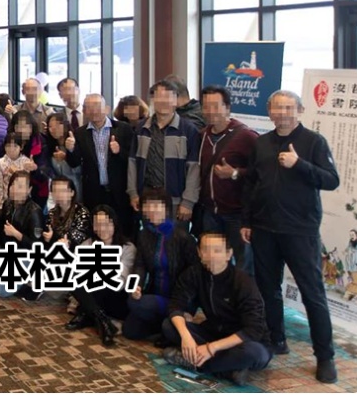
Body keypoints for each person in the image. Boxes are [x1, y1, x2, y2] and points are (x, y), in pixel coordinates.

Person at [240, 90, 340, 383]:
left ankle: (325, 356)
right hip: (264, 229)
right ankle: (276, 339)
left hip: (300, 231)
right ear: (269, 111)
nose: (281, 113)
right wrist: (247, 221)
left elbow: (331, 180)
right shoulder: (261, 143)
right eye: (276, 108)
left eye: (288, 107)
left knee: (313, 294)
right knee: (268, 289)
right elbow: (251, 184)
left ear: (300, 110)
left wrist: (299, 164)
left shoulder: (313, 141)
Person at [160, 233, 271, 386]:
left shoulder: (243, 282)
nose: (211, 255)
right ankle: (229, 370)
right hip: (213, 333)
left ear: (228, 254)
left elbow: (253, 330)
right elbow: (176, 304)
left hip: (242, 341)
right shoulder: (194, 273)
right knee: (169, 325)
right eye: (206, 249)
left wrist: (211, 348)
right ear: (199, 253)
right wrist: (186, 337)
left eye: (217, 250)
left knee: (255, 353)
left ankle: (193, 362)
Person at [197, 85, 258, 274]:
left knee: (243, 264)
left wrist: (235, 173)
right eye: (206, 106)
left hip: (237, 214)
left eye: (216, 106)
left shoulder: (246, 136)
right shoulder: (202, 135)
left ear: (227, 107)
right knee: (212, 262)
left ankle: (243, 293)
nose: (210, 111)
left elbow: (261, 173)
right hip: (210, 212)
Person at [124, 189, 198, 343]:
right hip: (155, 293)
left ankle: (174, 319)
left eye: (157, 206)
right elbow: (140, 265)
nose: (152, 210)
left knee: (137, 305)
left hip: (178, 298)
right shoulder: (144, 234)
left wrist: (186, 305)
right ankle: (165, 326)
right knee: (130, 330)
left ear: (167, 209)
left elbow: (194, 273)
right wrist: (136, 286)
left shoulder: (183, 237)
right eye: (148, 206)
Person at [128, 80, 201, 231]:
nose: (163, 102)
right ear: (152, 100)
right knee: (150, 238)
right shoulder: (142, 128)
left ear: (176, 100)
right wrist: (133, 193)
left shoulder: (188, 130)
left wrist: (188, 202)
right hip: (147, 199)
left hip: (176, 201)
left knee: (176, 241)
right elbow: (133, 163)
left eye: (168, 97)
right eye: (159, 97)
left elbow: (194, 169)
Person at [65, 94, 137, 236]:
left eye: (97, 106)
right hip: (94, 191)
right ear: (84, 111)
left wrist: (119, 151)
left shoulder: (124, 129)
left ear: (107, 109)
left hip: (119, 190)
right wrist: (71, 150)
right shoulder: (80, 133)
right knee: (97, 230)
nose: (94, 111)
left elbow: (133, 159)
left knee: (123, 229)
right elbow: (74, 163)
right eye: (89, 107)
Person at [66, 205, 135, 347]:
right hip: (94, 294)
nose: (102, 228)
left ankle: (87, 314)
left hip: (115, 297)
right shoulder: (88, 244)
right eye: (97, 224)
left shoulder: (128, 248)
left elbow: (120, 281)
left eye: (106, 223)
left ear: (114, 223)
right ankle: (103, 321)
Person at [12, 110, 54, 211]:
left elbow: (47, 173)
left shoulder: (41, 143)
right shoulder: (10, 141)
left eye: (25, 126)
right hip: (16, 190)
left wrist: (35, 169)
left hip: (38, 191)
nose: (21, 130)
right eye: (18, 126)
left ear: (31, 127)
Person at [46, 112, 82, 204]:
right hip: (57, 192)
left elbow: (79, 169)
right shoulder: (50, 146)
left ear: (65, 125)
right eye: (50, 126)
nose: (54, 129)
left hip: (75, 189)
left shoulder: (75, 141)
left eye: (58, 125)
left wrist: (67, 156)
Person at [0, 134, 35, 211]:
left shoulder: (26, 162)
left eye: (15, 146)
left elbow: (27, 184)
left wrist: (16, 171)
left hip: (23, 201)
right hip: (6, 201)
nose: (11, 149)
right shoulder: (1, 162)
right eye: (8, 146)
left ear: (21, 147)